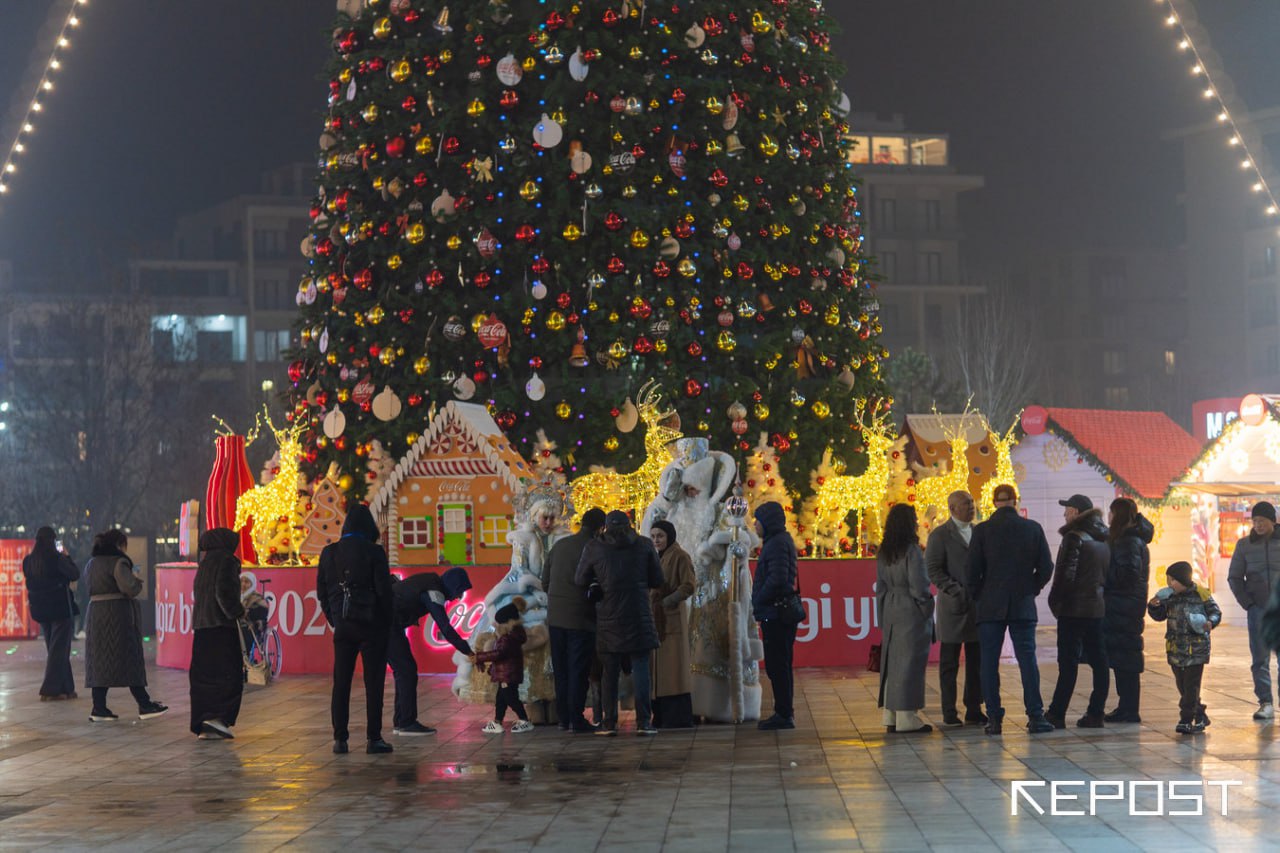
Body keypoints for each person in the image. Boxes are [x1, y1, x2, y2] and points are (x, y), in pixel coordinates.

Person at [965, 484, 1054, 735]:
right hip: (1022, 605)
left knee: (989, 663)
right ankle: (1036, 716)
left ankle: (994, 719)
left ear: (993, 503)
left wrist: (979, 596)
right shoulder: (1032, 529)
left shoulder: (982, 531)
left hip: (990, 606)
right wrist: (1031, 589)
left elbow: (971, 571)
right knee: (1027, 660)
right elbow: (1046, 567)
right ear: (1016, 501)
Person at [576, 510, 664, 736]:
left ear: (605, 527)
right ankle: (644, 722)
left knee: (609, 672)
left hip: (608, 617)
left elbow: (580, 579)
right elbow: (658, 579)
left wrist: (598, 581)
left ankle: (609, 722)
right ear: (630, 525)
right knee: (642, 670)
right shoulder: (644, 545)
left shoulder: (594, 547)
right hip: (639, 615)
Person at [317, 504, 394, 755]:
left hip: (343, 627)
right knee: (374, 683)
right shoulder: (375, 552)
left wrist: (335, 618)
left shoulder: (329, 553)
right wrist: (386, 621)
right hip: (372, 626)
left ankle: (340, 739)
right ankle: (374, 739)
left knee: (341, 682)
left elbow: (322, 593)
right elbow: (384, 591)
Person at [82, 529, 168, 722]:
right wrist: (137, 581)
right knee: (129, 656)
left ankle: (99, 707)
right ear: (118, 545)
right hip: (116, 614)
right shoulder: (118, 562)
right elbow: (129, 587)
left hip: (95, 613)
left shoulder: (91, 563)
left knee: (99, 661)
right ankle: (145, 704)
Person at [1045, 494, 1111, 729]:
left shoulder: (1074, 538)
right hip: (1096, 608)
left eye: (1068, 510)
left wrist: (1055, 603)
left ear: (1077, 512)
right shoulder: (1103, 539)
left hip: (1073, 610)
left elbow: (1065, 575)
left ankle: (1057, 713)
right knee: (1099, 661)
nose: (1065, 514)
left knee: (1068, 663)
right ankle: (1096, 712)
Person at [388, 567, 473, 735]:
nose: (457, 597)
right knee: (406, 671)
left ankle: (401, 721)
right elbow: (445, 627)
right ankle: (406, 723)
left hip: (385, 624)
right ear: (452, 585)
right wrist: (468, 651)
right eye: (459, 592)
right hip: (387, 626)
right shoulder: (434, 592)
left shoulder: (429, 582)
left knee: (403, 671)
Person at [924, 491, 983, 727]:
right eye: (966, 504)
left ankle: (974, 708)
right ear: (952, 508)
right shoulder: (940, 535)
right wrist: (956, 590)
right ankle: (949, 711)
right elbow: (934, 571)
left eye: (972, 502)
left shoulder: (979, 531)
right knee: (949, 663)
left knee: (976, 662)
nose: (971, 506)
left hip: (977, 607)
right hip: (953, 608)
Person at [545, 507, 606, 732]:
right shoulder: (596, 548)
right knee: (578, 670)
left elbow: (545, 581)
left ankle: (563, 719)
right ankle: (576, 718)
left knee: (561, 670)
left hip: (556, 618)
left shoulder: (560, 545)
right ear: (601, 528)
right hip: (582, 619)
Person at [876, 504, 935, 734]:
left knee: (892, 663)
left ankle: (890, 715)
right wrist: (927, 608)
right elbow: (919, 587)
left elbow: (880, 587)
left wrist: (882, 616)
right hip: (910, 610)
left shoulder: (884, 551)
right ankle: (907, 717)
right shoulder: (911, 551)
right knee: (910, 663)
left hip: (891, 607)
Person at [1148, 561, 1221, 734]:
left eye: (1173, 580)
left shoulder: (1201, 594)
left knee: (1191, 686)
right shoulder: (1169, 597)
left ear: (1183, 580)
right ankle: (1201, 715)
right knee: (1182, 686)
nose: (1170, 584)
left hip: (1196, 649)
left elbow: (1215, 611)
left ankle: (1186, 719)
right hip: (1175, 649)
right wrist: (1153, 606)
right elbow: (1159, 616)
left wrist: (1211, 622)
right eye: (1168, 580)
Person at [189, 528, 246, 740]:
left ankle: (203, 719)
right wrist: (238, 612)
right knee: (227, 674)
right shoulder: (227, 561)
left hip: (202, 628)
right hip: (221, 628)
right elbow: (224, 593)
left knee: (203, 676)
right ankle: (219, 718)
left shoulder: (204, 563)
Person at [1102, 497, 1153, 723]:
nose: (1108, 517)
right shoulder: (1128, 539)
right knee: (1124, 657)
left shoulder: (1129, 541)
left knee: (1126, 659)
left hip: (1124, 605)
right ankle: (1126, 707)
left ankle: (1130, 709)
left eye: (1111, 513)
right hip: (1123, 604)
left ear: (1118, 515)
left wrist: (1103, 577)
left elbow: (1128, 575)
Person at [1228, 500, 1280, 721]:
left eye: (1262, 520)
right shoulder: (1244, 545)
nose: (1258, 525)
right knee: (1259, 659)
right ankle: (1265, 702)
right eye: (1255, 521)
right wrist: (1247, 603)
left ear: (1273, 521)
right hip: (1258, 610)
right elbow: (1235, 577)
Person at [752, 500, 801, 731]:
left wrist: (759, 598)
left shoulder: (777, 544)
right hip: (775, 612)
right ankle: (783, 711)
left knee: (777, 665)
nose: (754, 524)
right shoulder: (778, 542)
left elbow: (778, 578)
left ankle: (783, 713)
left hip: (776, 614)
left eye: (757, 520)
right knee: (779, 665)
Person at [649, 519, 696, 729]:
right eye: (653, 536)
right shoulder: (656, 557)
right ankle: (660, 715)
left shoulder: (679, 556)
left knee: (674, 671)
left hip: (672, 619)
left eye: (660, 536)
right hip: (657, 620)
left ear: (669, 536)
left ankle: (676, 717)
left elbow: (688, 585)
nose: (656, 540)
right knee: (660, 671)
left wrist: (666, 601)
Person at [23, 527, 80, 701]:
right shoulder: (57, 558)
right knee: (59, 650)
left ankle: (67, 688)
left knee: (57, 649)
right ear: (53, 541)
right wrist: (66, 556)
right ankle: (49, 690)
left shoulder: (29, 561)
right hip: (60, 609)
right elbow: (74, 574)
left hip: (41, 610)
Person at [473, 597, 534, 734]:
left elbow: (498, 654)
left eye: (499, 624)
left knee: (511, 698)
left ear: (507, 623)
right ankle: (497, 721)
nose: (496, 626)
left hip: (508, 675)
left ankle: (524, 720)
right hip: (507, 673)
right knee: (500, 699)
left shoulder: (507, 638)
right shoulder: (514, 635)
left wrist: (478, 657)